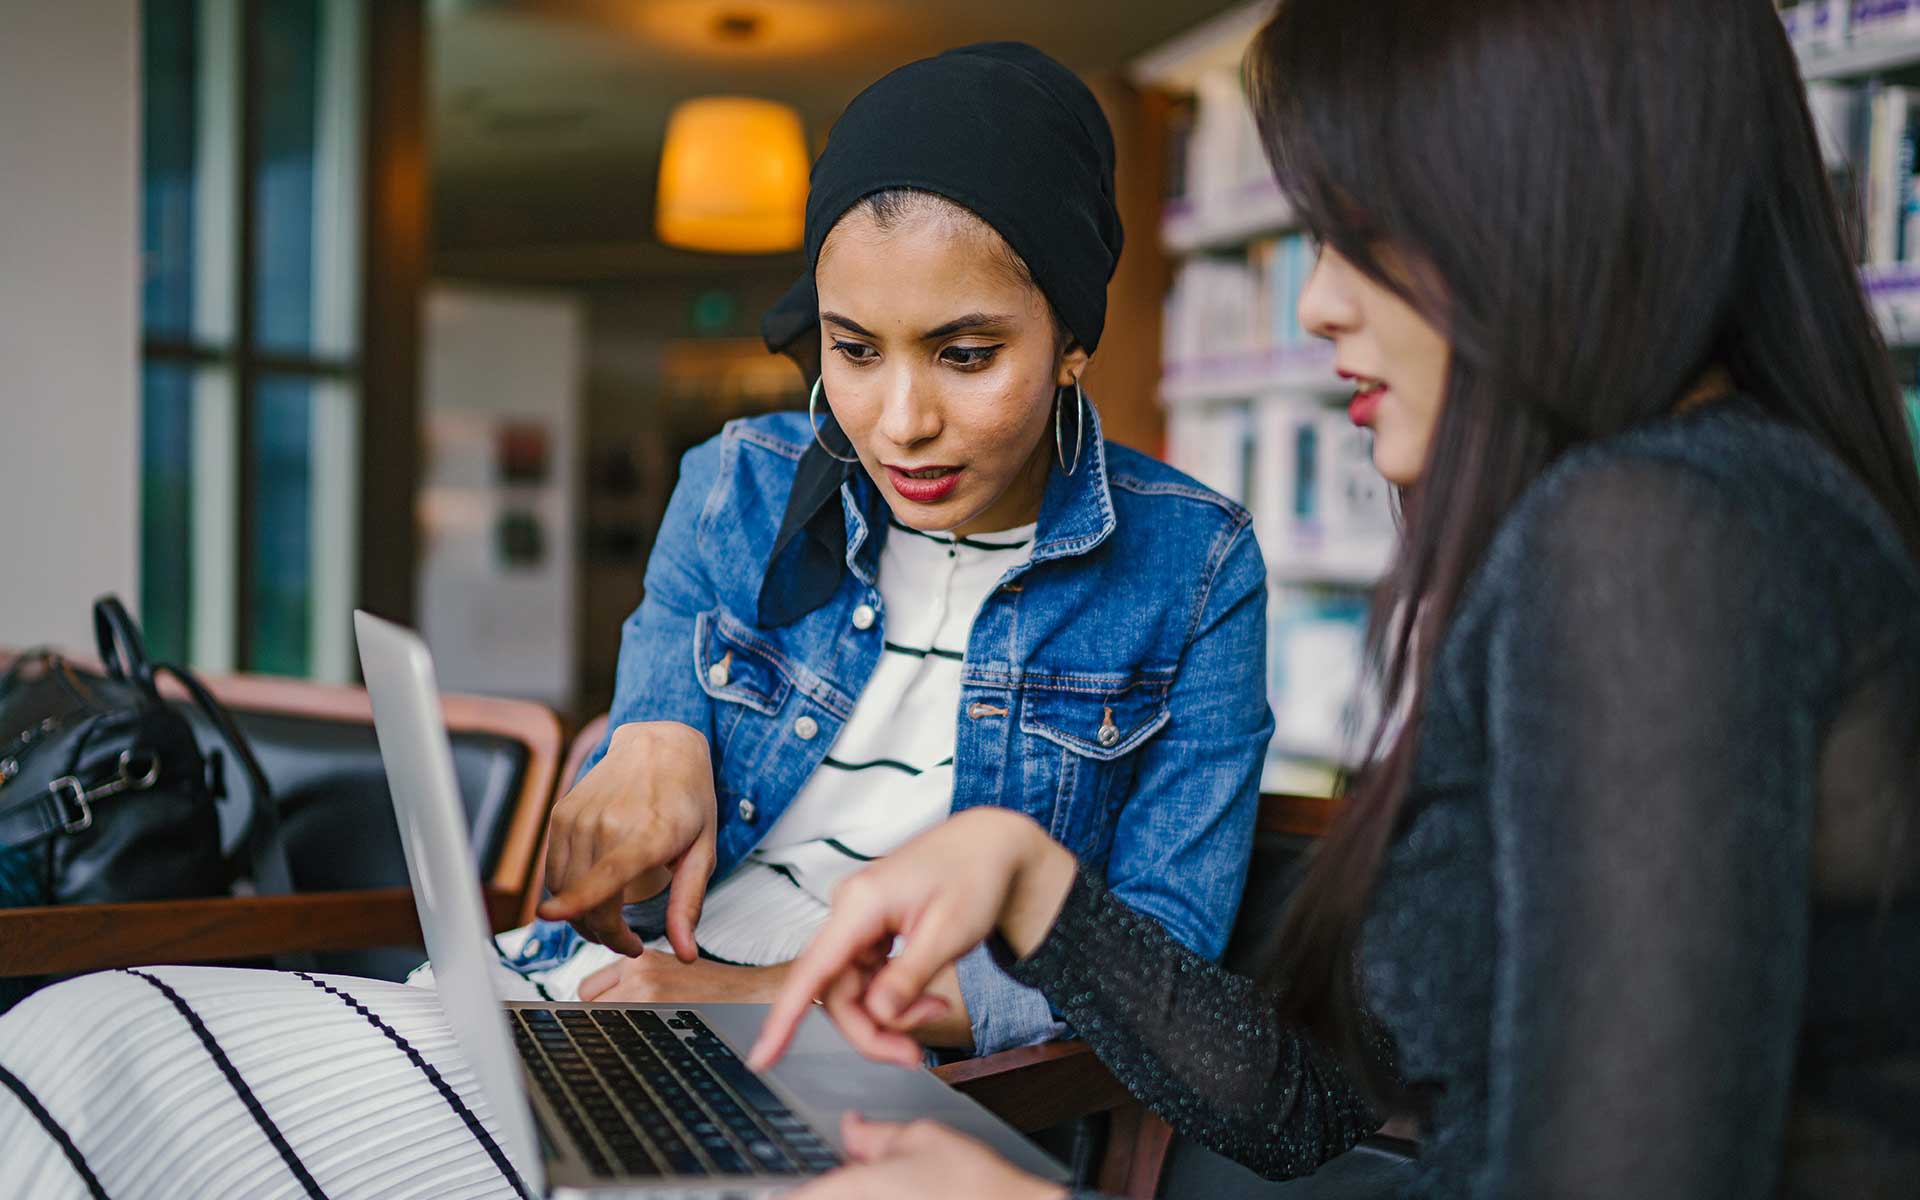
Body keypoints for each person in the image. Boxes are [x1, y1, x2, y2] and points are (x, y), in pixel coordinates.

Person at [0, 43, 1273, 1198]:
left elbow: (1152, 969)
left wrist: (747, 992)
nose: (899, 423)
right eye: (853, 349)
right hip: (590, 1000)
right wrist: (647, 737)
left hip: (862, 1078)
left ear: (1071, 339)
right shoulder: (739, 483)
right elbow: (641, 753)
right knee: (76, 1035)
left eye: (965, 354)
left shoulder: (1195, 566)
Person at [749, 2, 1920, 1197]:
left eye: (1365, 232)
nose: (1316, 305)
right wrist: (1036, 888)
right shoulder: (1701, 510)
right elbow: (1309, 1107)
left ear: (1561, 196)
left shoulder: (1656, 538)